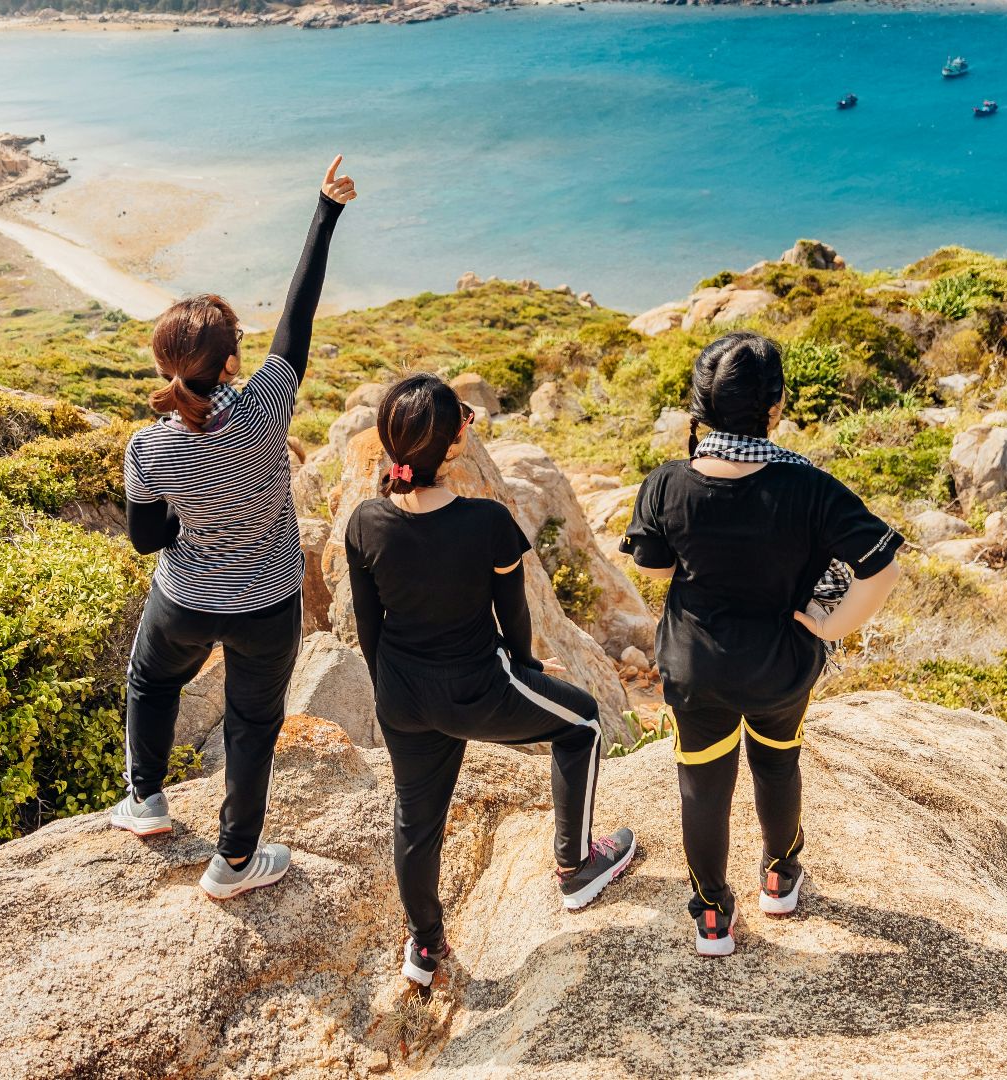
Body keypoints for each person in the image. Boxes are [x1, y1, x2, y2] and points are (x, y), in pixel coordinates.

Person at [108, 156, 358, 901]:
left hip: (184, 598)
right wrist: (325, 210)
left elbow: (147, 542)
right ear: (234, 361)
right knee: (252, 727)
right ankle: (236, 862)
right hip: (267, 604)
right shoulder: (267, 407)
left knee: (151, 682)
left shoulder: (149, 445)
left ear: (163, 362)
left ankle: (145, 801)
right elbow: (299, 318)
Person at [345, 374, 636, 987]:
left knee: (416, 820)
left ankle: (424, 949)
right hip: (476, 687)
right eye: (464, 423)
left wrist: (393, 691)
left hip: (401, 692)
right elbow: (514, 616)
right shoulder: (486, 522)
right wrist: (527, 669)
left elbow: (369, 627)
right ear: (453, 446)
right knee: (581, 722)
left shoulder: (366, 522)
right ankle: (578, 866)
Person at [623, 332, 902, 957]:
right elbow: (883, 568)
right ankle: (779, 876)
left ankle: (713, 915)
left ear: (700, 406)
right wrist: (829, 627)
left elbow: (656, 570)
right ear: (775, 408)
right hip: (782, 665)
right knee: (778, 762)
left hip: (697, 670)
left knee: (703, 786)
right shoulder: (811, 488)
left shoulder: (666, 484)